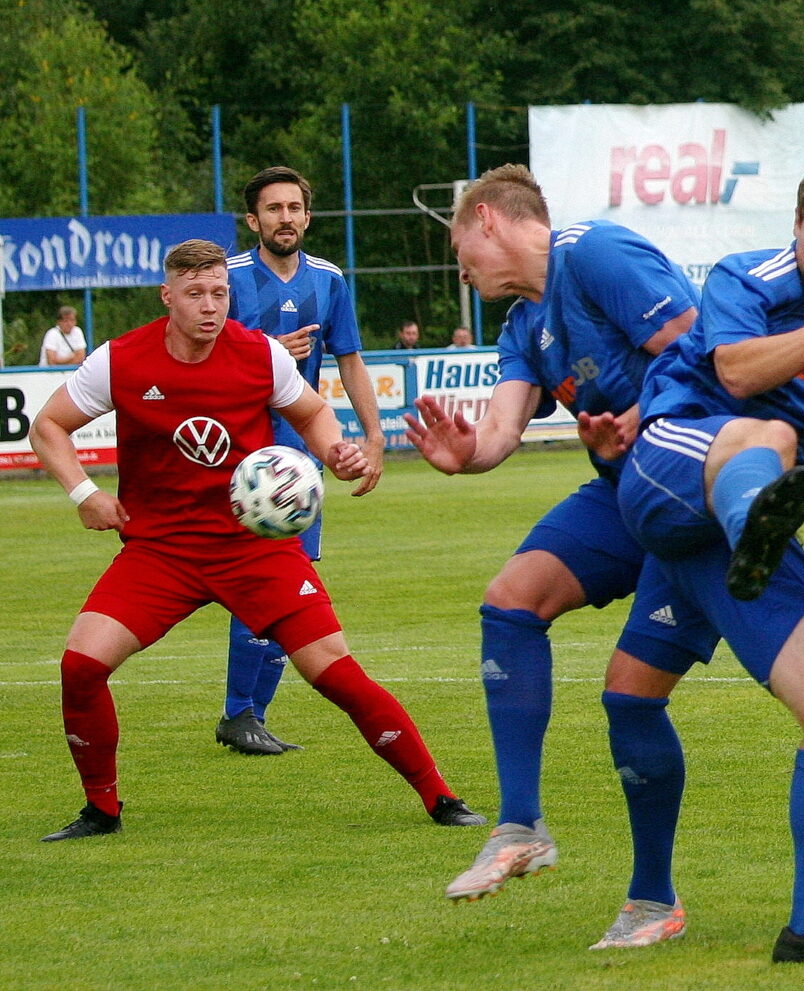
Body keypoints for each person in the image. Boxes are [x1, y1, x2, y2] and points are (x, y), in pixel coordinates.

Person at [29, 239, 484, 841]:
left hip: (254, 547)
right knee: (81, 665)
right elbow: (48, 425)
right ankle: (101, 810)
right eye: (195, 294)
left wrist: (335, 451)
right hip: (160, 551)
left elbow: (312, 414)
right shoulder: (119, 360)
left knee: (334, 671)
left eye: (219, 293)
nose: (209, 306)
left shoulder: (260, 354)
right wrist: (84, 493)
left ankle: (440, 795)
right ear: (168, 297)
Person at [597, 160, 804, 963]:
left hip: (713, 532)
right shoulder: (749, 275)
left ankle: (785, 924)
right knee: (769, 434)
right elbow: (734, 370)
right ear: (795, 228)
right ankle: (753, 528)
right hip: (673, 463)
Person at [404, 163, 718, 903]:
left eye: (458, 249)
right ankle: (520, 826)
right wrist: (466, 454)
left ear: (487, 217)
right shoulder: (522, 326)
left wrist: (641, 420)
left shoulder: (594, 252)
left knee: (632, 696)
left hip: (693, 491)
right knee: (510, 600)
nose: (461, 270)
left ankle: (653, 897)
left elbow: (707, 350)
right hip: (624, 494)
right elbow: (500, 431)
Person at [216, 166, 385, 755]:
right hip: (238, 456)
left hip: (296, 457)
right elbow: (199, 353)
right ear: (253, 220)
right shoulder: (228, 278)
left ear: (307, 217)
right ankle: (241, 712)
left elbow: (350, 359)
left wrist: (373, 436)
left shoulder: (329, 280)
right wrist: (263, 354)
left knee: (290, 581)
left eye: (294, 208)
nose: (285, 218)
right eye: (273, 209)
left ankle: (249, 715)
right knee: (262, 582)